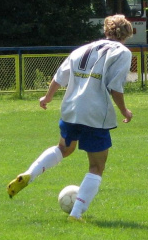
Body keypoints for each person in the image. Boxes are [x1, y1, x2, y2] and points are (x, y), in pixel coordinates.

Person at [7, 15, 134, 221]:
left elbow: (59, 77)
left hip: (71, 109)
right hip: (94, 113)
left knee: (64, 149)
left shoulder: (82, 49)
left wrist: (47, 97)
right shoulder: (122, 53)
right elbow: (115, 87)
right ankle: (76, 214)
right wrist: (124, 111)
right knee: (96, 166)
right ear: (127, 34)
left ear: (106, 30)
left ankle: (30, 173)